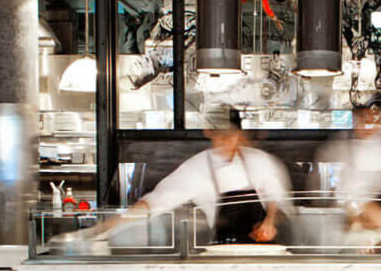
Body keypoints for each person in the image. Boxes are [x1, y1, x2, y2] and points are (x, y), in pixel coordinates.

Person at [102, 105, 292, 245]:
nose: (226, 141)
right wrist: (104, 229)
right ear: (208, 132)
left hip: (268, 254)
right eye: (220, 135)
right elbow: (154, 203)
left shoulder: (260, 161)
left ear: (239, 133)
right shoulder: (197, 168)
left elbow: (279, 202)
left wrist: (269, 221)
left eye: (230, 135)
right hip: (223, 255)